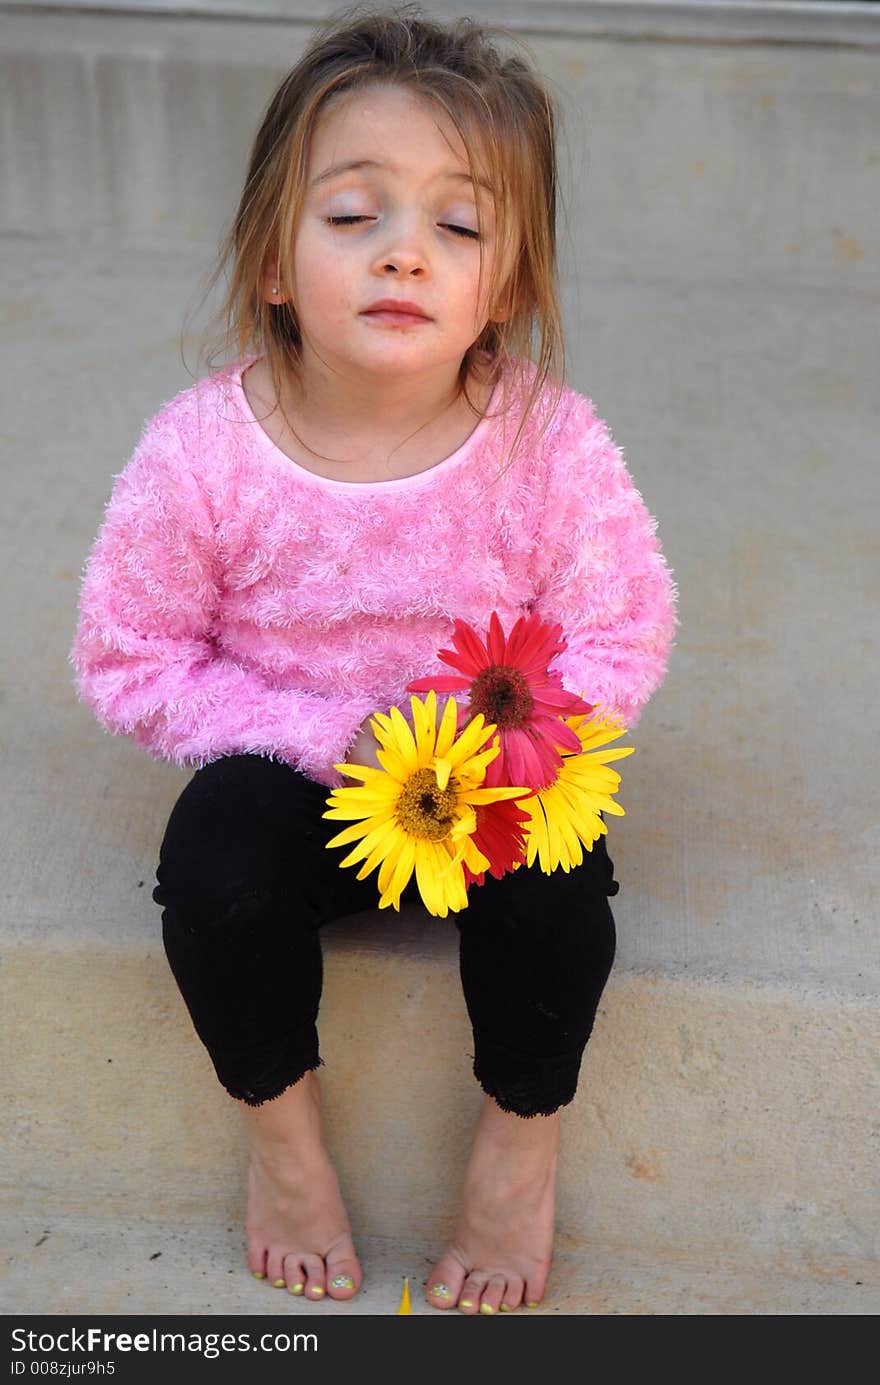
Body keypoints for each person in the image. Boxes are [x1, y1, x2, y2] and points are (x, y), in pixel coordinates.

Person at [69, 3, 676, 1315]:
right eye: (355, 215)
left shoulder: (548, 445)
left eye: (455, 225)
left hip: (488, 773)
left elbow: (624, 626)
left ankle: (520, 1142)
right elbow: (127, 657)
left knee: (563, 884)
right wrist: (326, 733)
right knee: (213, 865)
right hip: (306, 770)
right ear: (276, 260)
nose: (405, 253)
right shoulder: (201, 456)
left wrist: (499, 744)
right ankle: (284, 1145)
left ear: (504, 285)